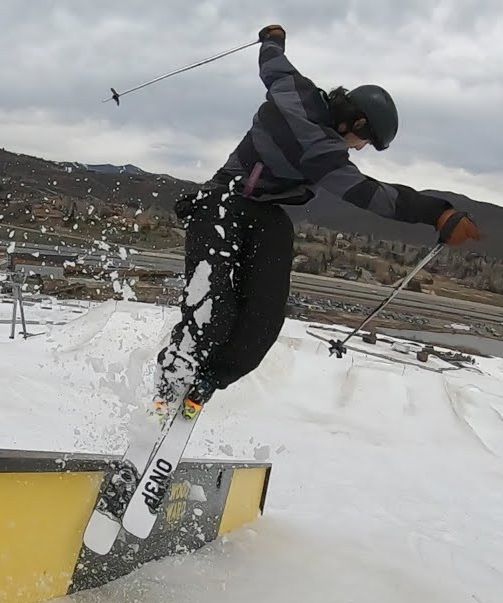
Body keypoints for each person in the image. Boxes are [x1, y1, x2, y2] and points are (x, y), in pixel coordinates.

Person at [154, 23, 482, 418]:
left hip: (265, 214)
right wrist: (436, 212)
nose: (359, 150)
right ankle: (173, 382)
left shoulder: (294, 85)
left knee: (264, 319)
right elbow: (372, 196)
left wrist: (273, 39)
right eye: (365, 142)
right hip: (222, 204)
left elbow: (271, 63)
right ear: (356, 124)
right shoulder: (321, 150)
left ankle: (205, 381)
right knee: (215, 315)